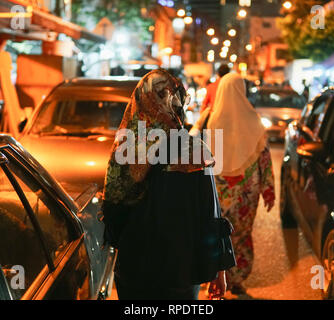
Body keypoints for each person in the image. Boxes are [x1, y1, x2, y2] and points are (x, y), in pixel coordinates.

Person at [101, 69, 235, 300]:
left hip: (135, 267)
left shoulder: (125, 147)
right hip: (181, 270)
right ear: (177, 102)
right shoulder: (194, 151)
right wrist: (219, 268)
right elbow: (210, 214)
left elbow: (113, 208)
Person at [206, 73, 275, 295]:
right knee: (241, 234)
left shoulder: (214, 119)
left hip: (218, 187)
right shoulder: (254, 119)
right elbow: (264, 156)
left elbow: (205, 158)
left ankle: (214, 278)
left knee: (217, 233)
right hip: (247, 189)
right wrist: (268, 189)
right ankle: (236, 278)